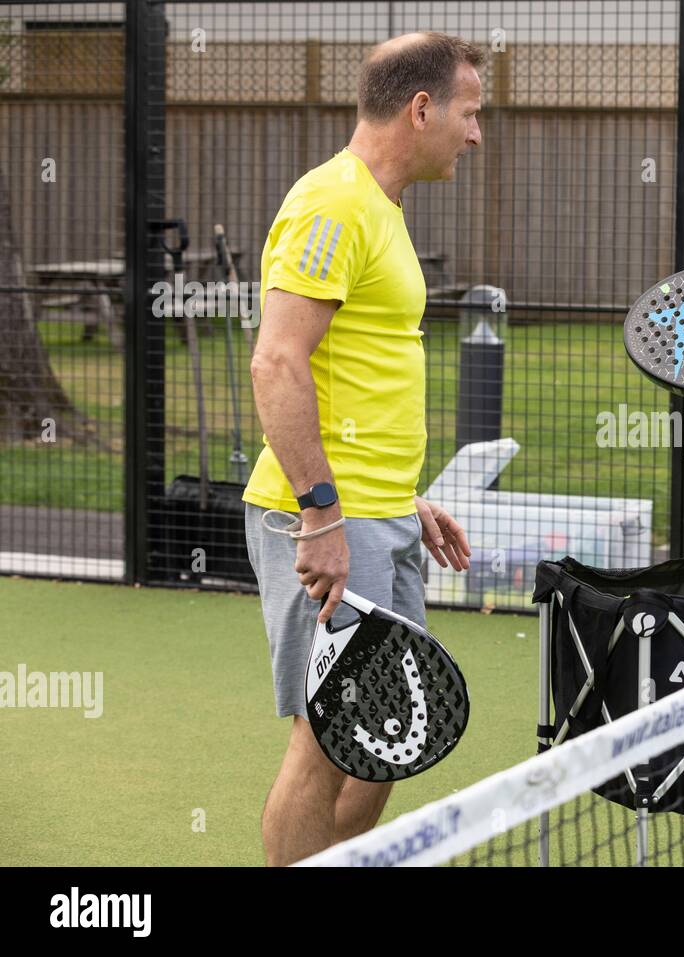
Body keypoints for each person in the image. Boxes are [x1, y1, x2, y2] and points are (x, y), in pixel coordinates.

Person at [242, 32, 481, 866]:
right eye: (470, 111)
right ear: (422, 109)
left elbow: (354, 373)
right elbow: (277, 360)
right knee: (325, 739)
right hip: (320, 520)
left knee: (384, 742)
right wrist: (322, 513)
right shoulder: (331, 202)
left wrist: (403, 500)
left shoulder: (380, 209)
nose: (475, 133)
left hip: (382, 516)